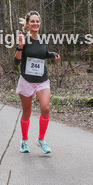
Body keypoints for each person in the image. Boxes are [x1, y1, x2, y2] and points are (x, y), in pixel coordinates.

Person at [14, 11, 60, 154]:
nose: (35, 24)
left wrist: (53, 55)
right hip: (26, 80)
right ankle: (24, 141)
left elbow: (44, 54)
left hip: (42, 80)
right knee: (27, 112)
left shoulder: (43, 39)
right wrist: (20, 46)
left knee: (45, 108)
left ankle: (41, 139)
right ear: (27, 24)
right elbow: (16, 62)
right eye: (32, 21)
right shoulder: (24, 40)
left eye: (37, 21)